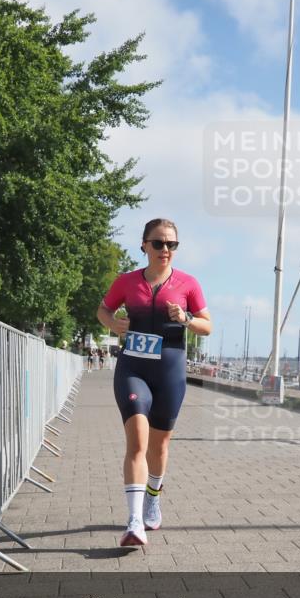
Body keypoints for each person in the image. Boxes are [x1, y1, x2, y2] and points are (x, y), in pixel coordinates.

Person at [96, 218, 212, 547]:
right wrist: (113, 324)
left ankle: (153, 495)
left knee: (159, 447)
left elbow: (208, 326)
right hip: (133, 368)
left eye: (171, 244)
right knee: (137, 443)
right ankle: (134, 522)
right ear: (144, 245)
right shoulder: (126, 282)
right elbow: (103, 310)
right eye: (159, 243)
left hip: (170, 372)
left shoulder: (188, 284)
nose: (165, 250)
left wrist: (186, 318)